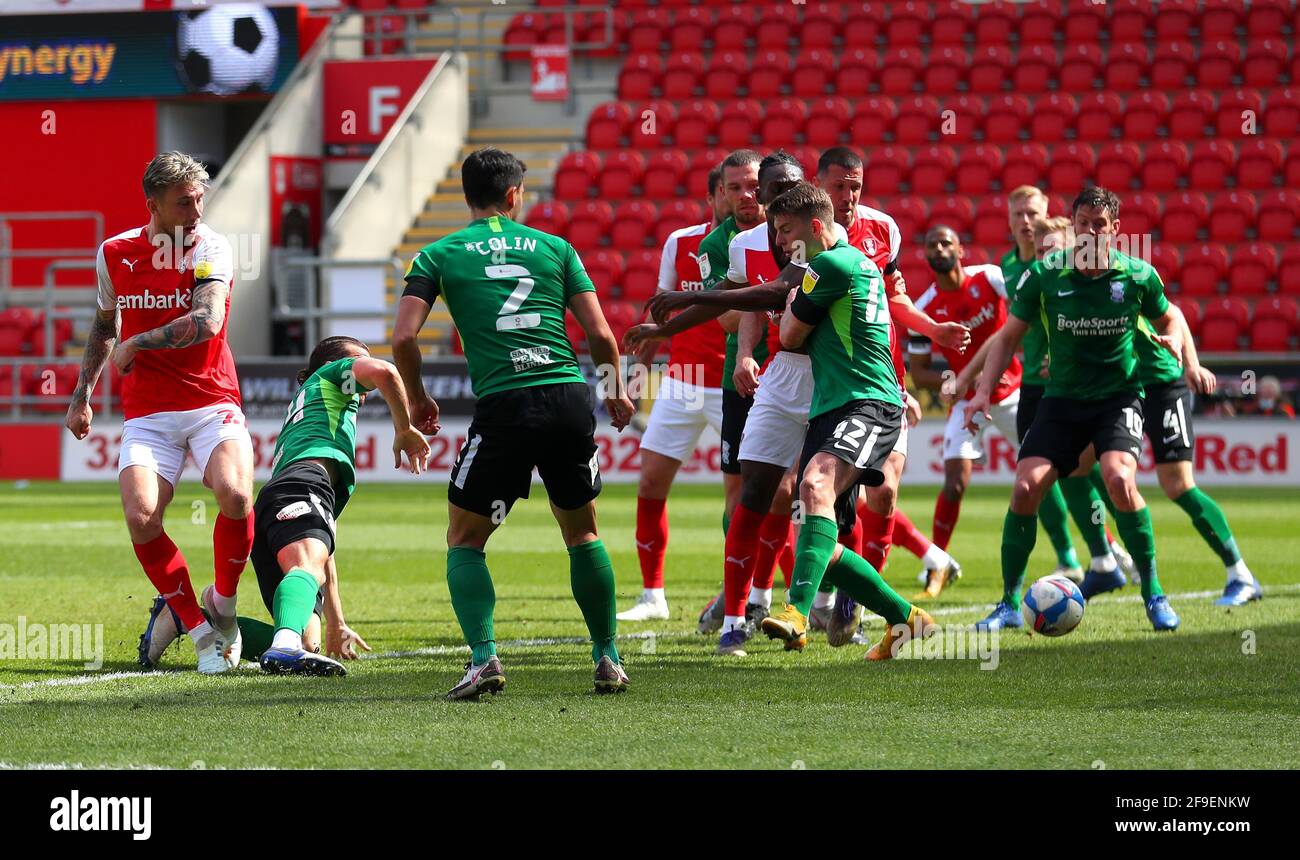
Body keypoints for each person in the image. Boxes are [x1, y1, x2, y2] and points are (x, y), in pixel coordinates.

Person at [394, 147, 635, 698]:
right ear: (513, 195)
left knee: (465, 538)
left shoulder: (436, 255)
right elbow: (600, 334)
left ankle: (484, 659)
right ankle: (608, 658)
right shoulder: (557, 247)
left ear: (467, 195)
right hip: (567, 397)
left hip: (505, 405)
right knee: (582, 531)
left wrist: (417, 398)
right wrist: (615, 390)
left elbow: (404, 337)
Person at [66, 151, 254, 674]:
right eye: (183, 202)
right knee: (141, 516)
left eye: (199, 198)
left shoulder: (210, 247)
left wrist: (138, 342)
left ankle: (226, 610)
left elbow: (209, 319)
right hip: (148, 411)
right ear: (153, 205)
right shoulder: (114, 253)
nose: (196, 210)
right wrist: (83, 393)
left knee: (235, 494)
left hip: (211, 397)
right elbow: (105, 326)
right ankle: (198, 632)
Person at [967, 187, 1185, 633]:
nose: (1089, 232)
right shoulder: (1046, 274)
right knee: (1026, 488)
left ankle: (1153, 592)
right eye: (1082, 223)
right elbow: (1008, 336)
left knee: (1119, 478)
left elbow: (1169, 318)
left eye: (1099, 225)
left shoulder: (1138, 275)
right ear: (1074, 223)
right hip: (1061, 400)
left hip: (1117, 399)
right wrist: (981, 391)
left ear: (1114, 230)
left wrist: (1176, 341)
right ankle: (1009, 603)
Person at [758, 182, 936, 660]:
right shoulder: (854, 262)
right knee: (824, 543)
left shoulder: (829, 264)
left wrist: (790, 311)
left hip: (865, 402)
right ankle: (907, 618)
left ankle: (795, 613)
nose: (779, 242)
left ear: (816, 227)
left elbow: (791, 336)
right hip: (836, 406)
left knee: (814, 485)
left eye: (785, 230)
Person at [255, 337, 429, 675]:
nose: (362, 376)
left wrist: (336, 622)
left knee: (309, 642)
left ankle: (204, 621)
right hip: (302, 484)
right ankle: (284, 644)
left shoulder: (312, 407)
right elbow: (384, 372)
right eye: (357, 360)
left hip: (278, 498)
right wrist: (404, 428)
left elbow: (323, 542)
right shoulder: (331, 375)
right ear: (332, 365)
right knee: (305, 572)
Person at [617, 165, 730, 622]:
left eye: (749, 189)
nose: (742, 197)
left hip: (734, 387)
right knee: (649, 483)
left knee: (748, 496)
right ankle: (652, 596)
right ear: (712, 195)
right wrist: (631, 386)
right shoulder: (681, 242)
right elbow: (659, 320)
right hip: (681, 383)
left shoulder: (760, 242)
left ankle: (741, 594)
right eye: (731, 189)